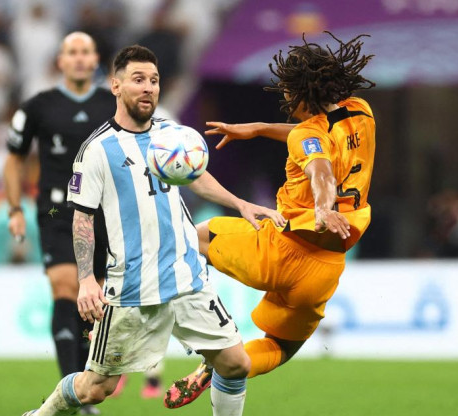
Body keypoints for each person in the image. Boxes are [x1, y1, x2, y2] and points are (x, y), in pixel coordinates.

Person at [20, 45, 282, 416]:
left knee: (235, 363)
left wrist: (240, 204)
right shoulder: (97, 150)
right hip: (132, 288)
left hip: (187, 277)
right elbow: (82, 218)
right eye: (138, 79)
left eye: (154, 81)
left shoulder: (171, 135)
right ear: (115, 85)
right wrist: (85, 280)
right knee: (97, 388)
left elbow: (197, 177)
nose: (148, 88)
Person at [164, 32, 377, 408]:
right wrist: (260, 129)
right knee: (279, 347)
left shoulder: (307, 137)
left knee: (188, 237)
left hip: (279, 250)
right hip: (324, 270)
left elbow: (320, 170)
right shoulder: (361, 111)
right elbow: (316, 140)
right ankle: (219, 367)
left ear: (300, 93)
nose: (284, 101)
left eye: (286, 93)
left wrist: (323, 208)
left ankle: (167, 320)